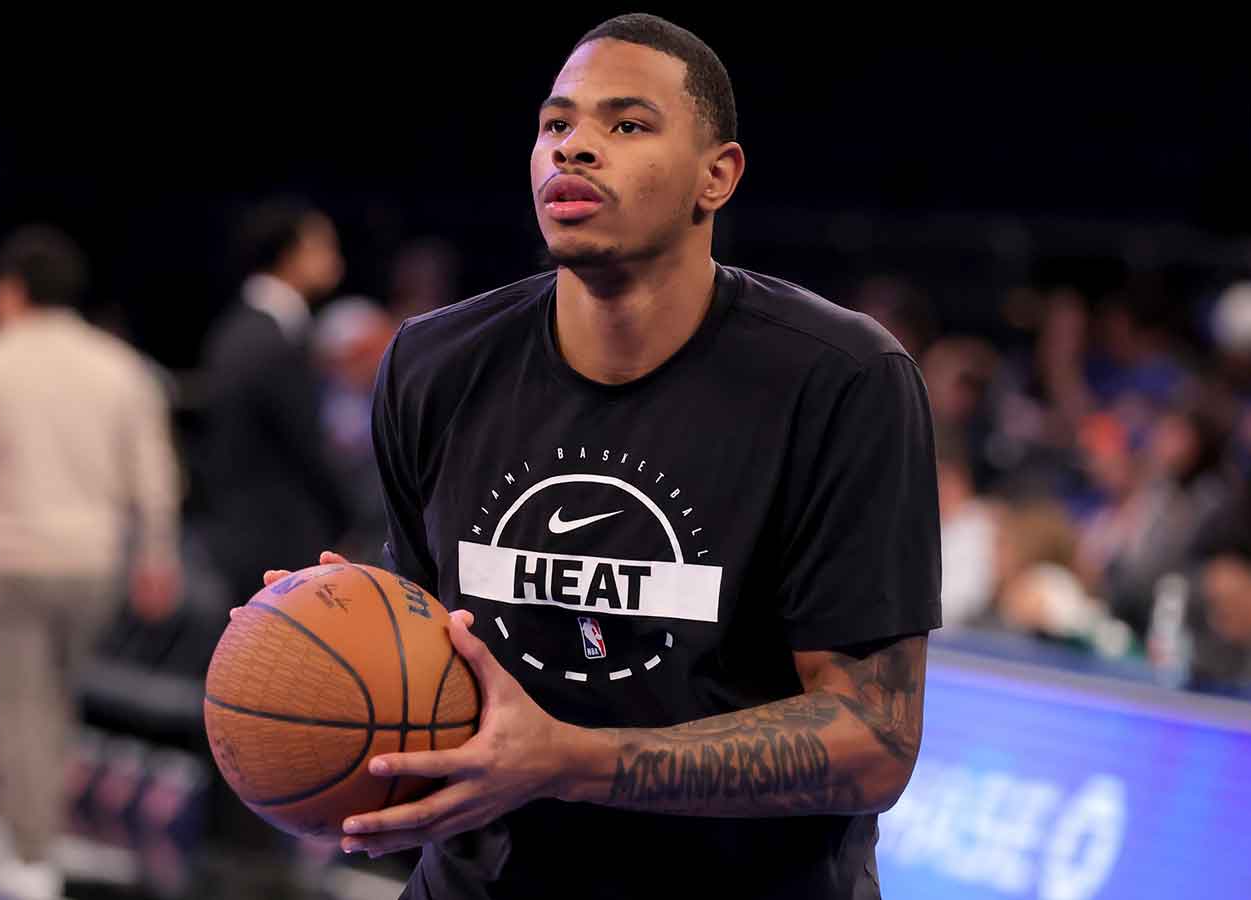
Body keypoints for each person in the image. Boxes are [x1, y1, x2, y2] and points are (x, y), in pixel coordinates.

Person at [264, 14, 939, 899]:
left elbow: (875, 743)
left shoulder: (844, 379)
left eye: (627, 125)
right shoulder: (433, 364)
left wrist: (569, 761)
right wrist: (347, 624)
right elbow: (440, 643)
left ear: (717, 176)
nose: (575, 149)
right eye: (557, 125)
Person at [0, 226, 182, 899]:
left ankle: (31, 858)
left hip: (10, 561)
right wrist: (157, 556)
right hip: (92, 567)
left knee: (17, 713)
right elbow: (155, 478)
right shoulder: (120, 366)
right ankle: (41, 844)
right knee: (56, 706)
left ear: (11, 290)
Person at [199, 197, 355, 607]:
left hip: (249, 537)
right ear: (291, 254)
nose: (334, 259)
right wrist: (350, 514)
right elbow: (306, 447)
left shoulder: (242, 329)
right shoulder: (268, 340)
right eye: (323, 246)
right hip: (275, 547)